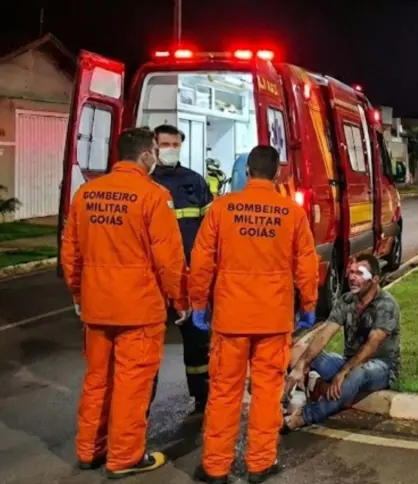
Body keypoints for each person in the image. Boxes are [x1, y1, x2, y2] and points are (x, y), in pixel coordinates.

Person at [60, 127, 189, 478]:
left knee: (97, 380)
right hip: (138, 308)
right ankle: (125, 457)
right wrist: (181, 300)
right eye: (155, 152)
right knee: (132, 385)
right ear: (146, 155)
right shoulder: (153, 195)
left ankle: (89, 450)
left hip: (97, 305)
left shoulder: (87, 193)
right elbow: (169, 258)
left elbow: (71, 252)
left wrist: (77, 293)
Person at [189, 145, 318, 484]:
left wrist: (198, 303)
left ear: (247, 172)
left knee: (223, 393)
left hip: (231, 319)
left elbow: (202, 261)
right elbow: (306, 264)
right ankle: (260, 463)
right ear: (278, 175)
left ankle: (216, 468)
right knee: (266, 393)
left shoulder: (222, 209)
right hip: (273, 320)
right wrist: (308, 305)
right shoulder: (291, 213)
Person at [282, 254, 400, 432]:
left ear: (375, 279)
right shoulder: (347, 300)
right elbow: (325, 334)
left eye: (359, 273)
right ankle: (319, 388)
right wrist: (301, 366)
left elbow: (371, 346)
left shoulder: (386, 304)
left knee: (357, 372)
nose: (352, 277)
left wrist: (343, 372)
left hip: (380, 367)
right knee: (298, 351)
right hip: (348, 360)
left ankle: (304, 416)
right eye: (351, 272)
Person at [149, 124, 213, 416]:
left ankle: (202, 395)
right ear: (153, 145)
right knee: (146, 345)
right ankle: (141, 403)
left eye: (175, 144)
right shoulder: (145, 184)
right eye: (165, 144)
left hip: (188, 275)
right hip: (151, 279)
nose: (171, 149)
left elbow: (210, 231)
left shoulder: (195, 182)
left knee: (198, 339)